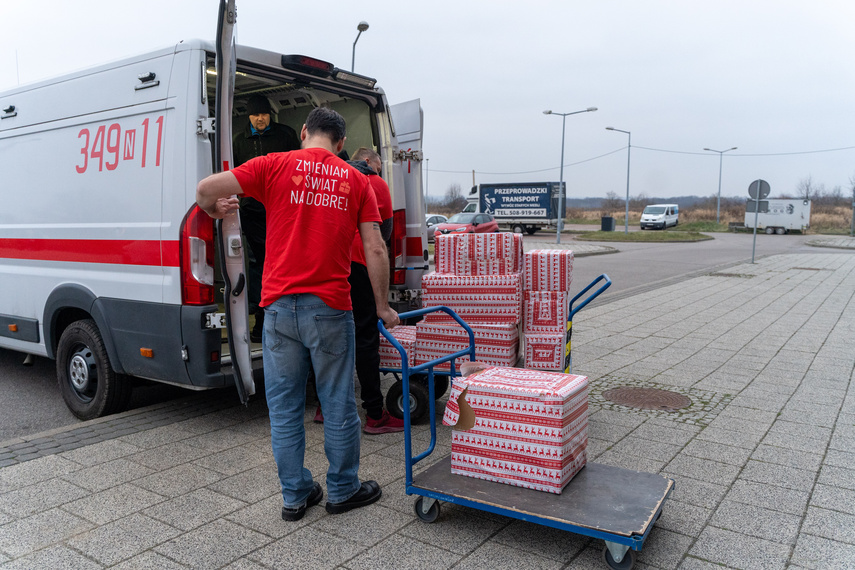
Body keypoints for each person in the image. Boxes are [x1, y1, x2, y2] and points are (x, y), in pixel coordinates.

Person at [197, 107, 400, 522]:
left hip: (277, 310)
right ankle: (343, 490)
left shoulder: (274, 165)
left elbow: (205, 188)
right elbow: (376, 248)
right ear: (341, 144)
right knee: (339, 402)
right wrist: (381, 306)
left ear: (304, 132)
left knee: (286, 407)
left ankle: (295, 495)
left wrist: (216, 210)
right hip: (329, 308)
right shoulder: (358, 180)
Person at [314, 148, 405, 434]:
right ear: (369, 162)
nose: (379, 170)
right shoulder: (374, 182)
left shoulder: (326, 178)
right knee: (365, 337)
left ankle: (324, 409)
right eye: (378, 165)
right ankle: (375, 414)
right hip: (359, 263)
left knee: (329, 337)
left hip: (328, 264)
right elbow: (383, 234)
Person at [233, 94, 301, 342]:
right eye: (255, 115)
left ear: (270, 114)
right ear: (249, 116)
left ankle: (274, 310)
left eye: (263, 114)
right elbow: (236, 173)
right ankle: (257, 305)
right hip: (252, 210)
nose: (260, 119)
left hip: (280, 208)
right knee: (256, 261)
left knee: (279, 258)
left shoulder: (285, 135)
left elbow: (298, 167)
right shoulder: (239, 141)